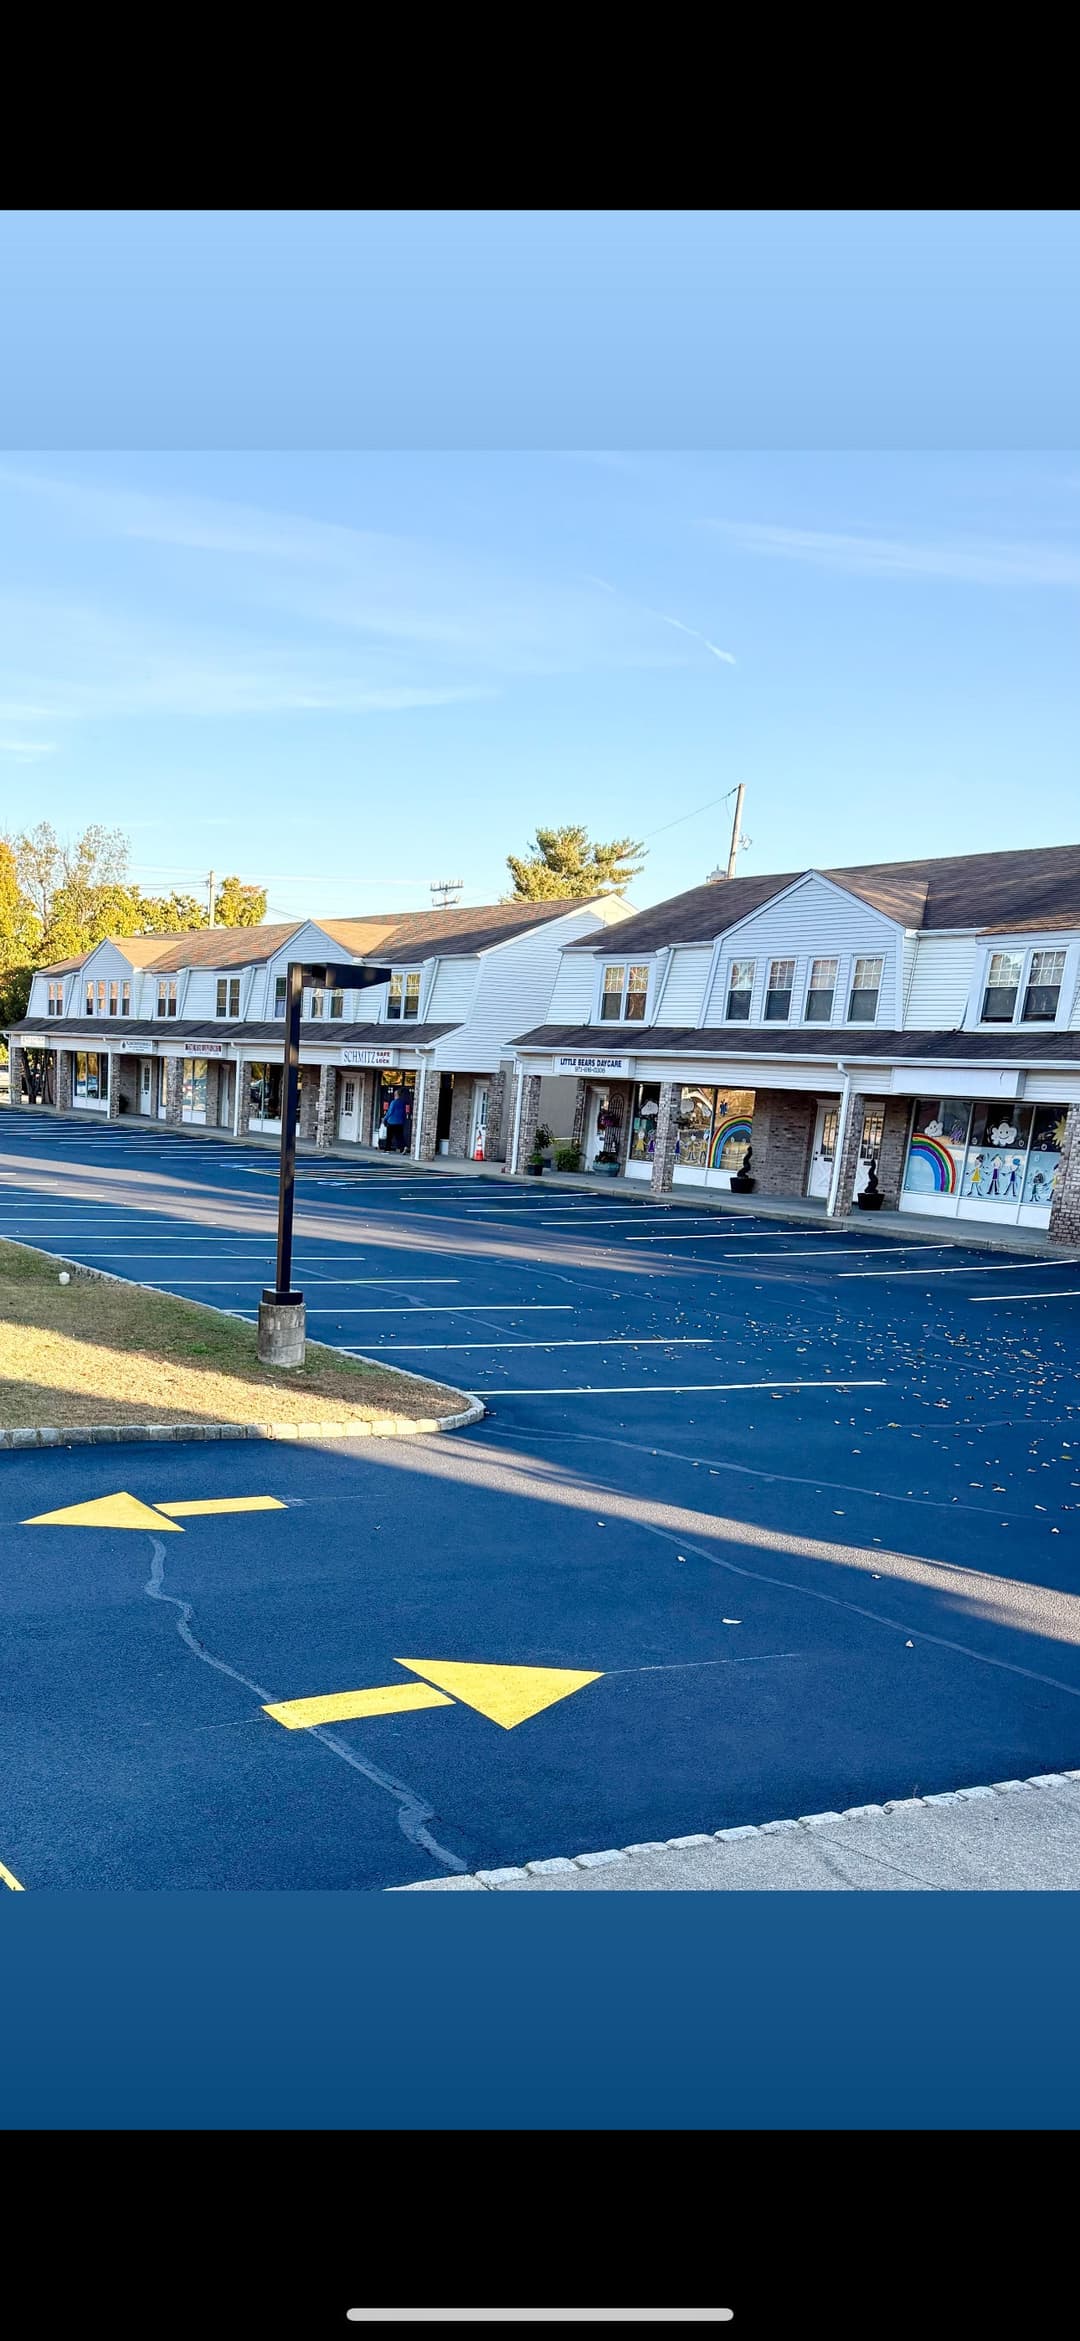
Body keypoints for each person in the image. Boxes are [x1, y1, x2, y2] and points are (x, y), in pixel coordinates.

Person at [384, 1087, 408, 1152]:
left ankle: (387, 1150)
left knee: (389, 1137)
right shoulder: (402, 1103)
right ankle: (403, 1147)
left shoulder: (393, 1102)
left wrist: (385, 1118)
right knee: (400, 1137)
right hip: (400, 1122)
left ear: (396, 1095)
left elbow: (390, 1112)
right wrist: (403, 1120)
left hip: (391, 1122)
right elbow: (404, 1113)